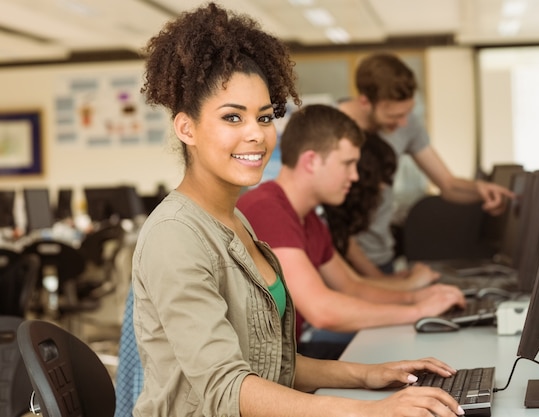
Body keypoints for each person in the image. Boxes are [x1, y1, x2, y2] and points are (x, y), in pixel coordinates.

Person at [130, 3, 466, 417]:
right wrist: (369, 411)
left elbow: (272, 366)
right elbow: (226, 388)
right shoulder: (176, 234)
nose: (255, 134)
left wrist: (371, 375)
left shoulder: (237, 222)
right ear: (187, 128)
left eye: (265, 117)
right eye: (232, 118)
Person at [237, 104, 466, 356]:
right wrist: (418, 312)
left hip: (291, 355)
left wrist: (418, 298)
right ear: (311, 161)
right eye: (347, 163)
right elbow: (322, 310)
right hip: (266, 368)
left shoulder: (308, 217)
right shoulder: (267, 209)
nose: (355, 176)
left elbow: (352, 286)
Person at [337, 53, 516, 276]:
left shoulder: (407, 123)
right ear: (365, 101)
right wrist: (380, 281)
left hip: (382, 256)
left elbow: (448, 184)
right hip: (341, 261)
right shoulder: (330, 128)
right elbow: (336, 224)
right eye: (394, 115)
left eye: (408, 113)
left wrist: (480, 189)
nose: (403, 123)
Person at [322, 131, 439, 287]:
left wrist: (392, 282)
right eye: (378, 179)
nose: (383, 187)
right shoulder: (324, 218)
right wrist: (411, 284)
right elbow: (353, 287)